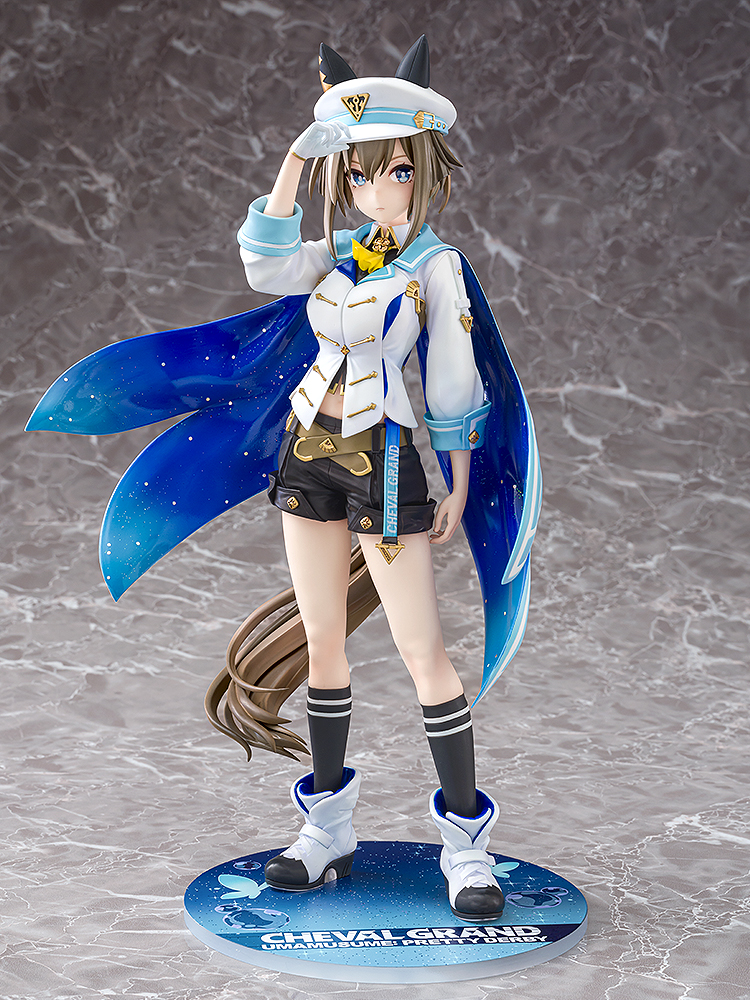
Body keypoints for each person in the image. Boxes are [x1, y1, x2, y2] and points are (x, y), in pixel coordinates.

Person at [26, 36, 541, 925]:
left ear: (423, 173)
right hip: (307, 455)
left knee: (423, 654)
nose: (377, 191)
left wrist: (458, 481)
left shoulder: (435, 267)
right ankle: (326, 827)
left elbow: (455, 384)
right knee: (324, 644)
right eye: (361, 174)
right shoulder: (341, 251)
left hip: (386, 461)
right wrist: (299, 160)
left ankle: (465, 845)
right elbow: (264, 263)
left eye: (396, 173)